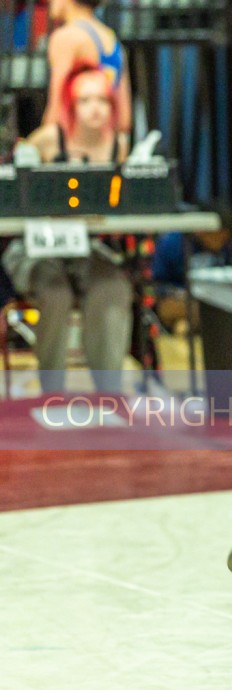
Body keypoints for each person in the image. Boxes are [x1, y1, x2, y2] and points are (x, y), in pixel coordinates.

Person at [2, 67, 130, 394]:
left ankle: (109, 392)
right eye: (85, 100)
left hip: (85, 247)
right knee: (55, 293)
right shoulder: (48, 139)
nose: (95, 108)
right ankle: (52, 391)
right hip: (35, 247)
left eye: (102, 100)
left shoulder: (118, 145)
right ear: (70, 105)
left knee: (113, 287)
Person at [42, 0, 131, 148]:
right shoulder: (112, 40)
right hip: (105, 147)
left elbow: (57, 110)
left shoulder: (67, 37)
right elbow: (124, 119)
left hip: (72, 148)